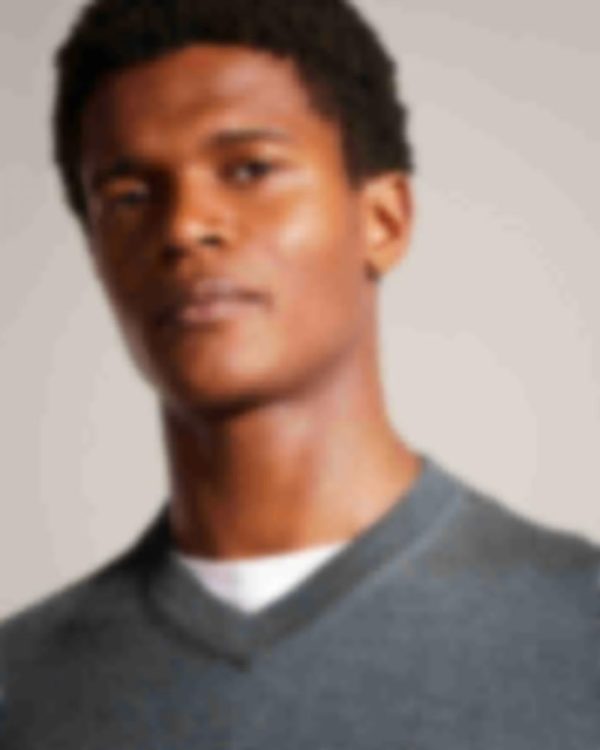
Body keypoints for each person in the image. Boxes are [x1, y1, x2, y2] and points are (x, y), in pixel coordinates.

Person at [1, 0, 598, 746]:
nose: (184, 226)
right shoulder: (18, 689)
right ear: (95, 253)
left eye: (250, 169)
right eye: (129, 197)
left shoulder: (583, 635)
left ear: (383, 220)